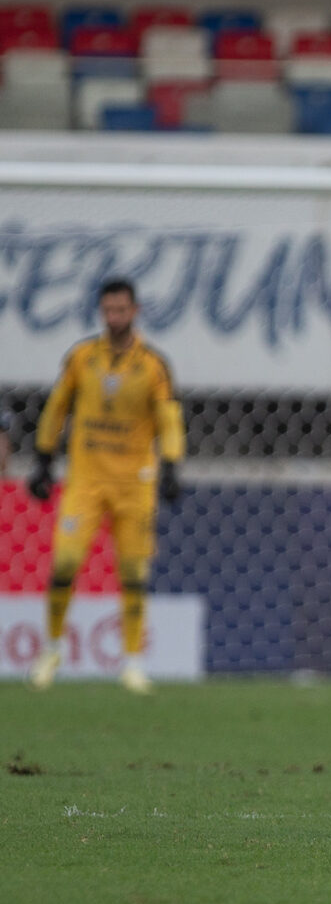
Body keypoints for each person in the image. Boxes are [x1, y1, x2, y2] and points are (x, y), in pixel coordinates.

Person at [26, 278, 185, 694]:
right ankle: (52, 650)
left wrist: (171, 465)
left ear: (135, 311)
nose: (114, 318)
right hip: (87, 480)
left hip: (135, 484)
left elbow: (169, 419)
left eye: (121, 310)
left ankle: (132, 663)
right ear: (102, 312)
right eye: (108, 310)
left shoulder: (153, 365)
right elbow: (57, 407)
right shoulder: (81, 358)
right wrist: (44, 459)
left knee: (134, 573)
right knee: (64, 564)